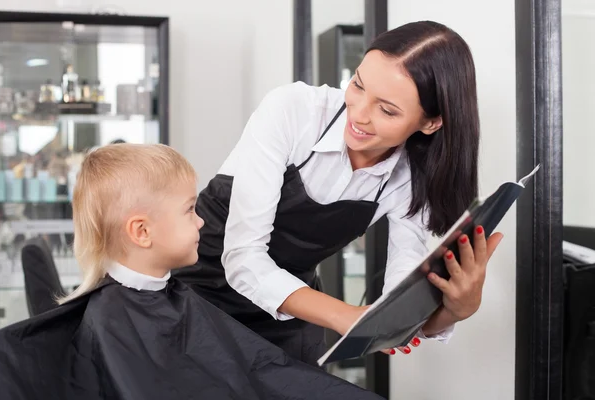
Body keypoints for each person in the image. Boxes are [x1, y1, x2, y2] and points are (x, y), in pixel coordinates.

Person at [173, 20, 504, 365]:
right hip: (196, 294)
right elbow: (243, 258)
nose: (358, 115)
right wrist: (347, 317)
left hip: (287, 316)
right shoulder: (293, 111)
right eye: (358, 85)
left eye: (387, 110)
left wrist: (455, 309)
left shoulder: (413, 177)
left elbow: (397, 301)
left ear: (430, 122)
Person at [0, 144, 383, 400]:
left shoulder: (168, 299)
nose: (201, 223)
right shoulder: (116, 320)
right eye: (189, 210)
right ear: (141, 232)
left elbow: (255, 367)